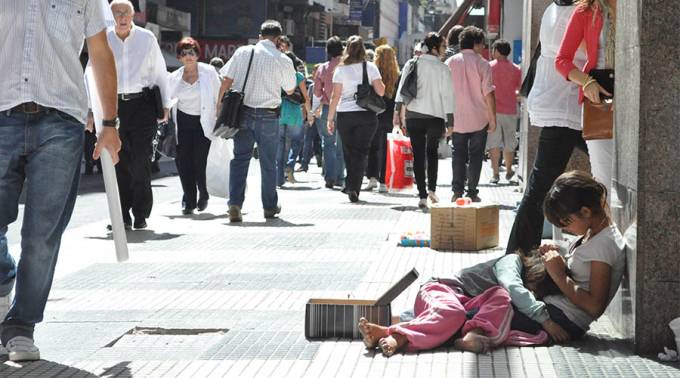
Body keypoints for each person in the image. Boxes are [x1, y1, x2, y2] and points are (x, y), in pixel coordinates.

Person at [0, 0, 120, 361]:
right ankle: (5, 274)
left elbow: (100, 53)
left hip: (61, 121)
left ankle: (21, 326)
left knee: (42, 233)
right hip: (2, 112)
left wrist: (109, 125)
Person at [505, 0, 587, 255]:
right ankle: (518, 255)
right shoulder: (571, 13)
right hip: (567, 104)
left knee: (539, 184)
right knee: (540, 185)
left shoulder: (555, 9)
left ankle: (517, 254)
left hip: (562, 104)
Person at [218, 20, 296, 222]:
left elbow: (226, 80)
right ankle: (269, 206)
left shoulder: (243, 52)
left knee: (240, 159)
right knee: (269, 163)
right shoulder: (283, 59)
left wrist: (219, 106)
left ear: (260, 36)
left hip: (242, 114)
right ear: (278, 39)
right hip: (269, 116)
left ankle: (235, 204)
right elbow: (290, 89)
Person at [106, 0, 171, 230]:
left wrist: (166, 104)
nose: (122, 17)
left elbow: (160, 72)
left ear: (133, 15)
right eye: (117, 13)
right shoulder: (103, 38)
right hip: (113, 107)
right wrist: (92, 110)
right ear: (110, 15)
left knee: (141, 160)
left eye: (126, 13)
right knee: (118, 161)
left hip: (142, 105)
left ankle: (141, 213)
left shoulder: (147, 38)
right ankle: (121, 214)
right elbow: (91, 73)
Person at [541, 171, 626, 336]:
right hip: (556, 309)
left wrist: (558, 274)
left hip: (564, 317)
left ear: (586, 212)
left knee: (492, 306)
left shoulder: (604, 244)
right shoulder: (593, 233)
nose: (563, 228)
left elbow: (595, 307)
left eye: (565, 221)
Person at [555, 0, 616, 196]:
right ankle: (606, 225)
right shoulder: (585, 11)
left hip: (637, 90)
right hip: (599, 94)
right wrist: (586, 82)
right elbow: (562, 60)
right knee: (603, 176)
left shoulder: (636, 7)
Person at [394, 33, 455, 209]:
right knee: (432, 152)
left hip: (413, 115)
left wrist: (397, 112)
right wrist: (450, 121)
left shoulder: (412, 63)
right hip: (435, 117)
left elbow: (401, 89)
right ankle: (431, 190)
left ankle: (421, 195)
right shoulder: (443, 69)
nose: (445, 50)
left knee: (418, 155)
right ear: (435, 48)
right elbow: (448, 96)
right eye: (443, 47)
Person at [327, 35, 386, 203]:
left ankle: (350, 184)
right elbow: (381, 92)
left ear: (347, 49)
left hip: (345, 115)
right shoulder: (370, 67)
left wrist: (330, 119)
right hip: (366, 115)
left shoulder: (340, 69)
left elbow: (335, 96)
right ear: (362, 49)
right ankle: (354, 188)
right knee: (361, 152)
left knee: (348, 151)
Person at [167, 37, 222, 215]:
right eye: (184, 54)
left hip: (203, 124)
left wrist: (219, 115)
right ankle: (189, 200)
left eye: (191, 53)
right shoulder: (174, 77)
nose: (188, 57)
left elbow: (218, 96)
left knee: (200, 162)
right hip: (182, 124)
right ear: (179, 57)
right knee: (184, 163)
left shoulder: (209, 72)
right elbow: (167, 100)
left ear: (197, 54)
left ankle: (203, 192)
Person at [445, 26, 497, 202]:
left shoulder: (450, 63)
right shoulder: (483, 64)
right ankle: (472, 191)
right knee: (476, 156)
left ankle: (457, 191)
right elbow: (488, 94)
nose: (483, 48)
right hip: (479, 119)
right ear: (475, 44)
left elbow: (443, 92)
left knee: (458, 154)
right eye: (482, 44)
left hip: (457, 118)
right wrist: (492, 119)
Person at [365, 45, 401, 193]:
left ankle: (372, 177)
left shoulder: (372, 73)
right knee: (386, 149)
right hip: (391, 114)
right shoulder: (397, 76)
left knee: (373, 146)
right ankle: (384, 182)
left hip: (374, 112)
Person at [487, 39, 521, 184]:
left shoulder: (489, 67)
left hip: (493, 110)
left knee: (494, 143)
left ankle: (495, 174)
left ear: (497, 51)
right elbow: (519, 90)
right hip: (511, 110)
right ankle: (508, 169)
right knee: (510, 141)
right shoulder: (516, 69)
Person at [314, 36, 346, 189]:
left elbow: (316, 91)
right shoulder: (347, 66)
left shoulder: (323, 68)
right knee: (341, 144)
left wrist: (323, 97)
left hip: (328, 107)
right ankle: (340, 177)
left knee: (328, 143)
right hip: (345, 108)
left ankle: (330, 177)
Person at [277, 51, 310, 186]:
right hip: (294, 115)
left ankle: (279, 178)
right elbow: (306, 97)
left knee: (280, 145)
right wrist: (310, 113)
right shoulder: (298, 76)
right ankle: (289, 166)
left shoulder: (276, 75)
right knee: (296, 142)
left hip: (279, 112)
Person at [299, 64, 324, 173]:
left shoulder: (325, 85)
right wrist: (308, 114)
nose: (314, 74)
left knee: (324, 141)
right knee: (307, 140)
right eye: (314, 72)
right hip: (311, 116)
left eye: (316, 71)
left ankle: (325, 166)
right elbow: (307, 100)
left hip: (321, 116)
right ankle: (304, 165)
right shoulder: (312, 86)